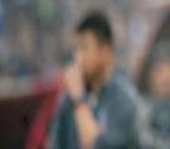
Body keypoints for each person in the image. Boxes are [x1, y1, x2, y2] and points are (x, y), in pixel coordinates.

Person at [48, 10, 142, 148]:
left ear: (105, 51)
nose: (78, 57)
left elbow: (96, 145)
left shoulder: (123, 100)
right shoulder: (68, 101)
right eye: (76, 49)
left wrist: (79, 100)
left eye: (84, 48)